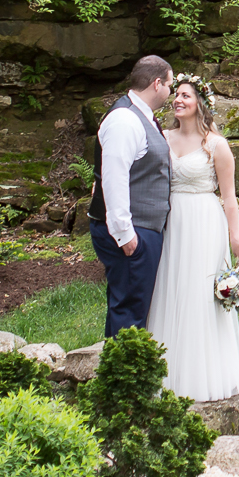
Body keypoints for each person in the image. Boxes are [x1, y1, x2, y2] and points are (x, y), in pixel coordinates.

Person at [148, 73, 239, 401]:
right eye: (176, 94)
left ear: (200, 104)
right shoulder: (162, 137)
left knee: (199, 295)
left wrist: (235, 238)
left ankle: (201, 375)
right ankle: (166, 373)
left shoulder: (216, 145)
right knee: (169, 288)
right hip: (170, 222)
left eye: (185, 96)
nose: (177, 100)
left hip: (204, 223)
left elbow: (229, 197)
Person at [89, 55, 174, 338]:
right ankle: (122, 379)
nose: (171, 92)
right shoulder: (124, 120)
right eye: (170, 85)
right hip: (131, 232)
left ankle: (123, 372)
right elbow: (113, 179)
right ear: (157, 83)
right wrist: (126, 235)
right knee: (129, 312)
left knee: (133, 307)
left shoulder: (140, 116)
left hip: (142, 227)